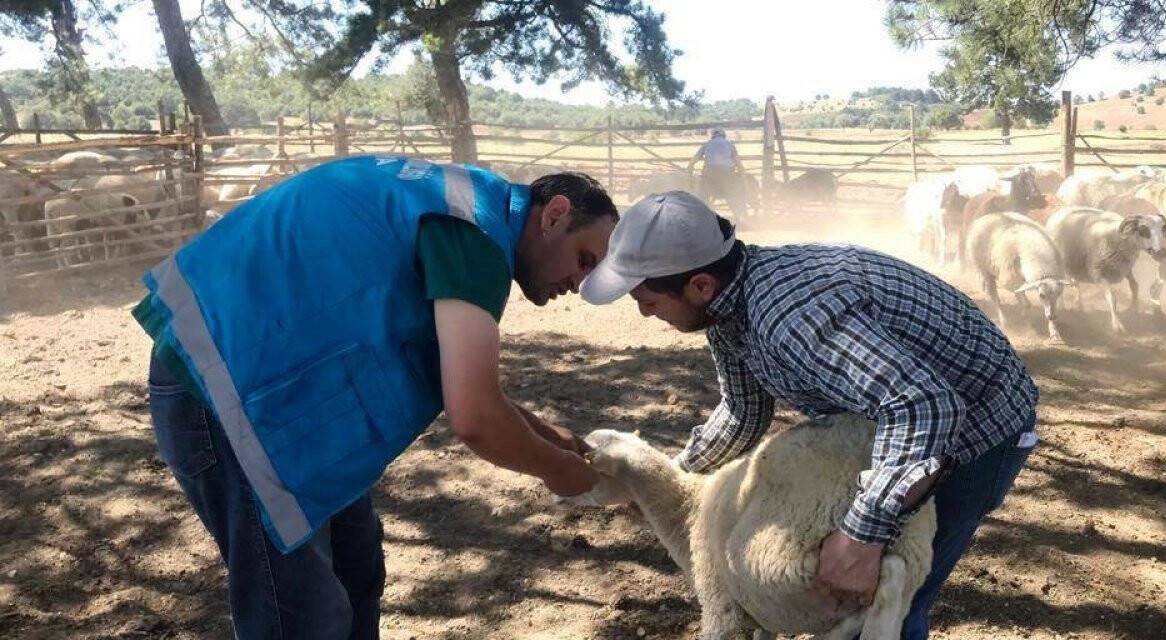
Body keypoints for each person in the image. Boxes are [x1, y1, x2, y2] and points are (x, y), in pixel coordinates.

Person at [133, 155, 616, 639]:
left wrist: (550, 437)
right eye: (585, 259)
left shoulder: (467, 209)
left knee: (357, 568)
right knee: (304, 615)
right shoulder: (475, 234)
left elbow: (469, 389)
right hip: (227, 396)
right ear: (553, 214)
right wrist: (560, 470)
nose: (580, 283)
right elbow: (475, 418)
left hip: (273, 393)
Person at [579, 191, 1039, 639]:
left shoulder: (788, 316)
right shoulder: (727, 311)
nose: (642, 313)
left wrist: (861, 537)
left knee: (882, 605)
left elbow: (923, 407)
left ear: (700, 285)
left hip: (973, 431)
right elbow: (742, 413)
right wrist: (669, 482)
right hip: (893, 420)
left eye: (647, 300)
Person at [689, 128, 749, 217]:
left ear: (713, 135)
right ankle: (741, 217)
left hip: (709, 173)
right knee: (735, 194)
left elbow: (695, 159)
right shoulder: (730, 144)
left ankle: (700, 216)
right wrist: (742, 173)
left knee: (702, 194)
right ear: (723, 135)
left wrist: (689, 169)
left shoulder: (707, 144)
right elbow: (737, 161)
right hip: (727, 173)